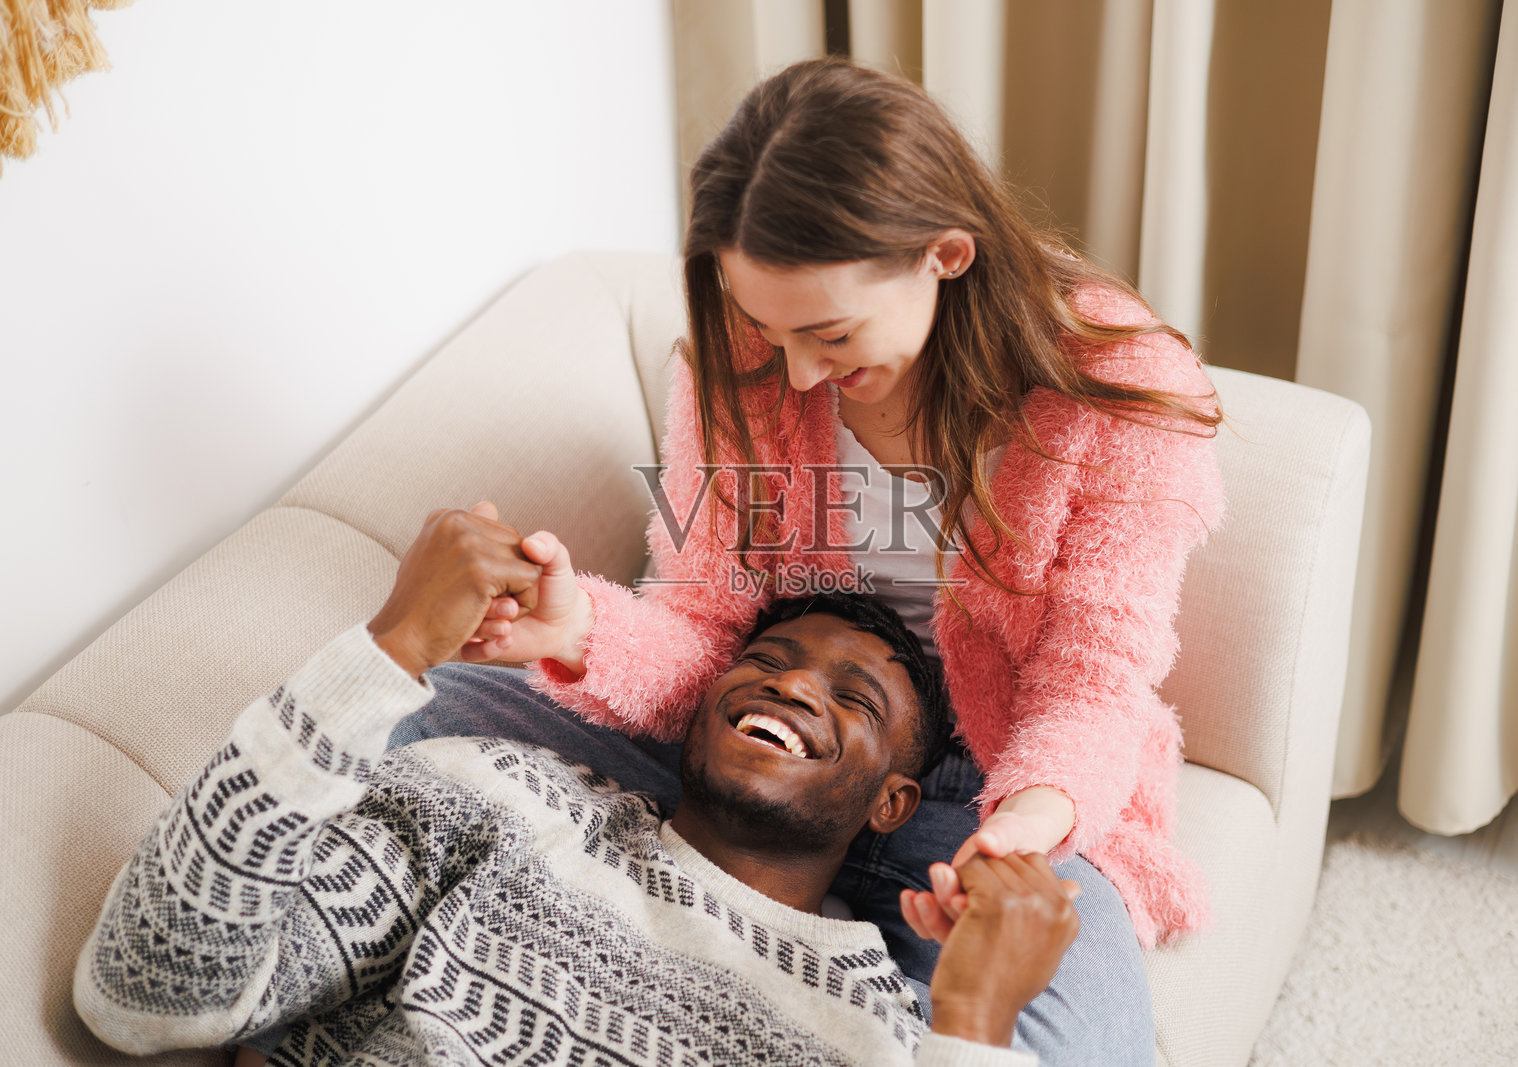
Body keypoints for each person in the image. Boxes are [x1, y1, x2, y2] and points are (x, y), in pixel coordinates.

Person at [396, 57, 1225, 1062]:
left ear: (946, 255)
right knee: (426, 703)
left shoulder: (1114, 387)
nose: (795, 372)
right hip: (776, 709)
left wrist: (1023, 829)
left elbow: (1091, 683)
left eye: (830, 335)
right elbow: (706, 617)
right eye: (769, 328)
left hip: (994, 777)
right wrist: (576, 628)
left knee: (1065, 1031)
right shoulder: (740, 357)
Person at [74, 505, 1083, 1066]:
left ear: (891, 804)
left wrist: (978, 1026)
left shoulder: (883, 1023)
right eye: (769, 655)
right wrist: (385, 657)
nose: (790, 682)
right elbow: (146, 998)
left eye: (853, 697)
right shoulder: (497, 795)